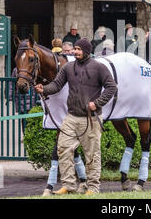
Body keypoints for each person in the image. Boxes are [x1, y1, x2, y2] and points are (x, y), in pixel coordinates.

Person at [34, 38, 117, 195]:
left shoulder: (99, 67)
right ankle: (69, 185)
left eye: (78, 49)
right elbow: (56, 85)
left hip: (91, 118)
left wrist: (98, 103)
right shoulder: (68, 68)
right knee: (63, 148)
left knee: (92, 154)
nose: (75, 52)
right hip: (71, 117)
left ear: (86, 51)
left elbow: (111, 87)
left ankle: (92, 187)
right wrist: (43, 89)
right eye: (75, 49)